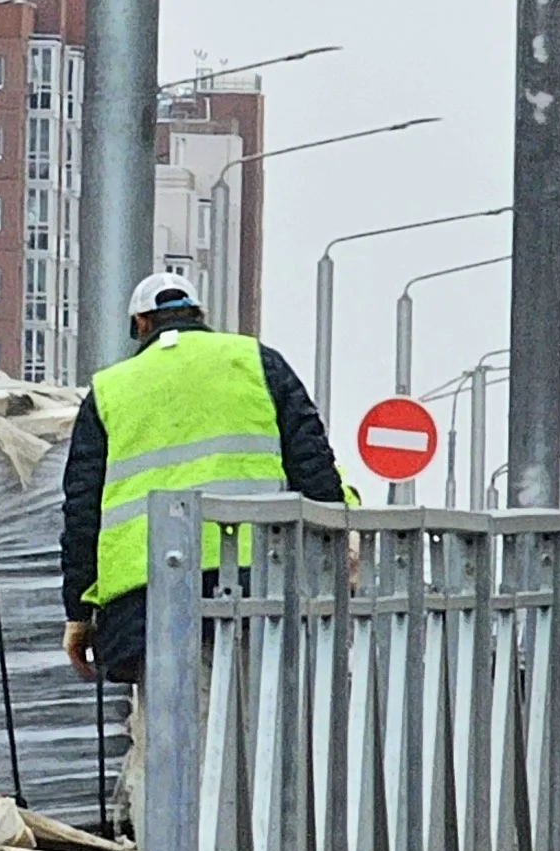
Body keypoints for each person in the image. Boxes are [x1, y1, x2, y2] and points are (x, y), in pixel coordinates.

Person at [58, 269, 346, 698]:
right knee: (256, 723)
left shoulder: (109, 389)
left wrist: (79, 614)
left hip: (147, 596)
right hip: (257, 580)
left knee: (174, 739)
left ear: (140, 324)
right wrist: (333, 559)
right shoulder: (256, 361)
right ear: (200, 315)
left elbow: (82, 510)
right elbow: (314, 466)